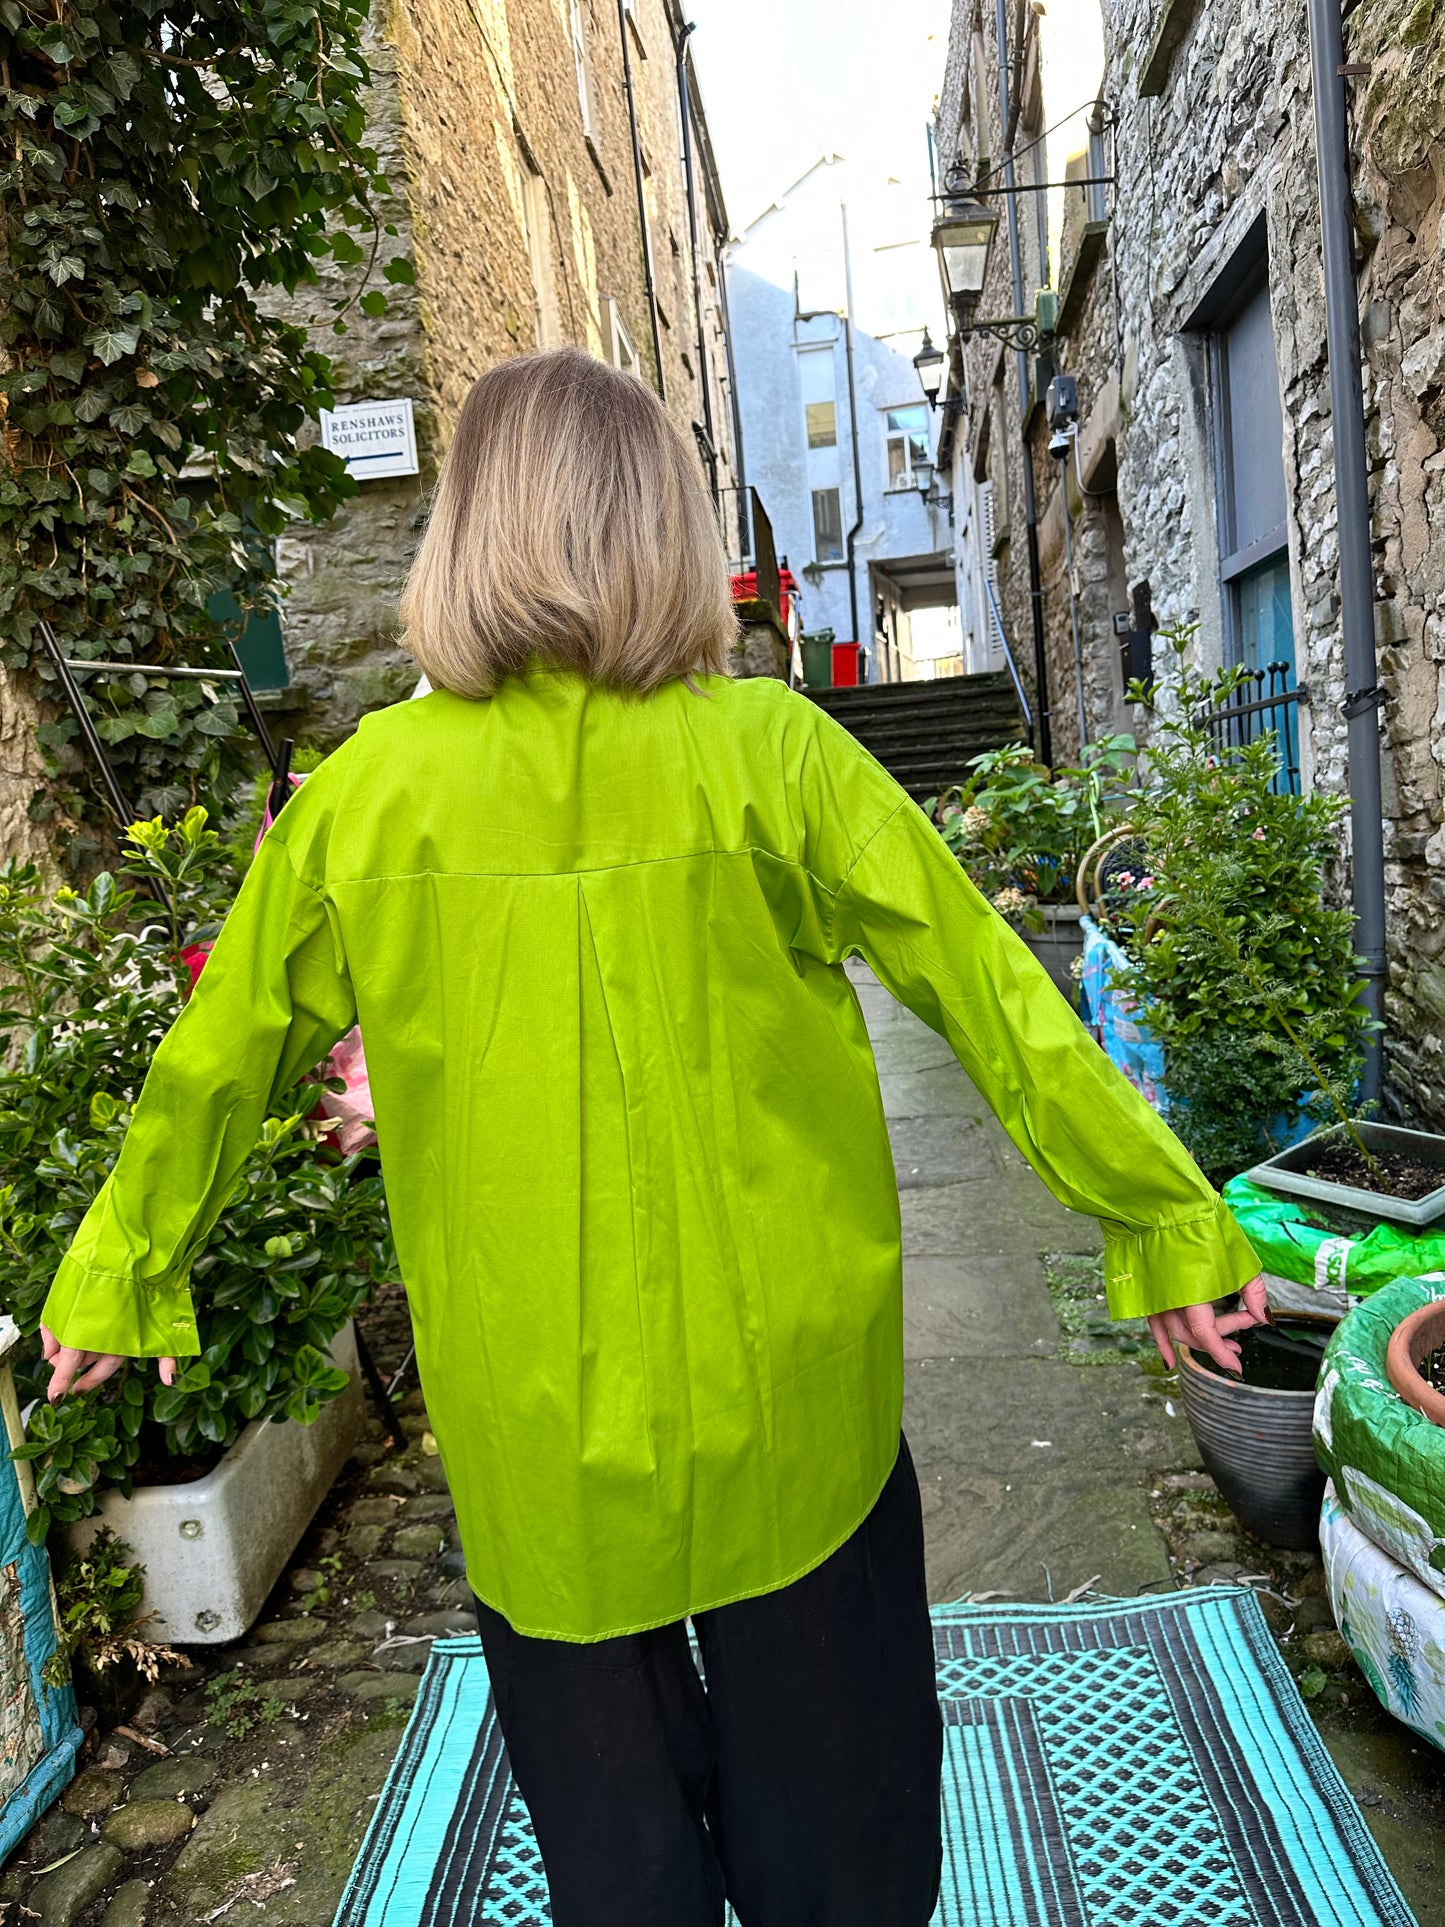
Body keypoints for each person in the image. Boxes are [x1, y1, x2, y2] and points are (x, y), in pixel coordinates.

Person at [41, 348, 1264, 1927]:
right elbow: (996, 1002)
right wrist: (1166, 1224)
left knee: (620, 1865)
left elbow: (215, 1063)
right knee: (843, 1842)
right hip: (788, 1408)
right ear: (657, 528)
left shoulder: (362, 799)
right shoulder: (772, 752)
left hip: (535, 1422)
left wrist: (118, 1273)